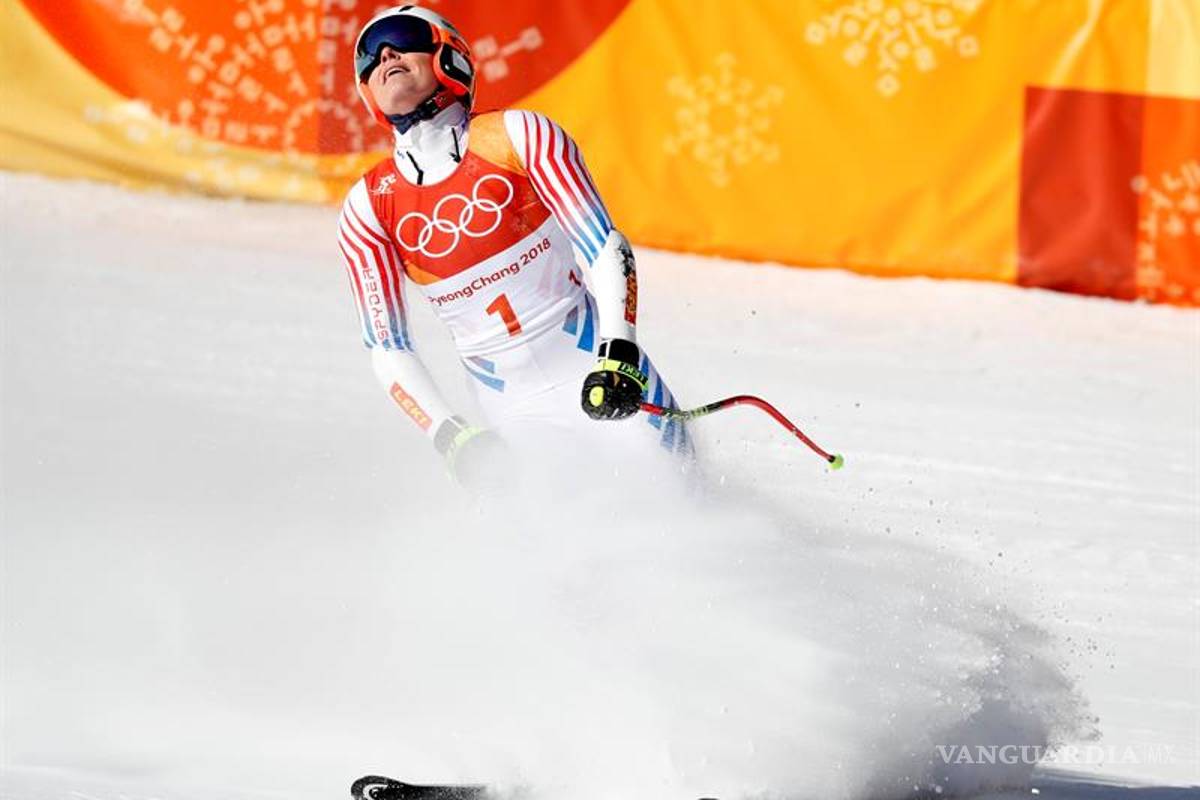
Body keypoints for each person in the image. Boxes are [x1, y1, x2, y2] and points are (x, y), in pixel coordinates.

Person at [337, 5, 692, 486]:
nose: (385, 55)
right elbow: (386, 345)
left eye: (403, 37)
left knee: (686, 502)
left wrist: (619, 352)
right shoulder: (366, 207)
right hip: (513, 411)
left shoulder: (520, 135)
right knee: (565, 529)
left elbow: (604, 246)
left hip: (598, 368)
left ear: (448, 55)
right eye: (368, 55)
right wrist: (450, 435)